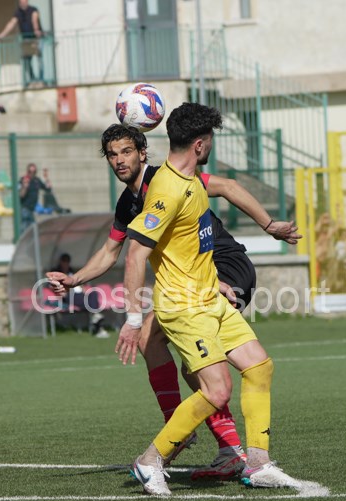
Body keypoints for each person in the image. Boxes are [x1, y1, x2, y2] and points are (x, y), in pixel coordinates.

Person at [48, 124, 300, 480]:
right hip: (194, 281)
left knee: (198, 367)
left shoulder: (168, 179)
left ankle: (202, 444)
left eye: (126, 152)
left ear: (142, 153)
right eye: (113, 155)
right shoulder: (128, 203)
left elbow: (227, 187)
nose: (119, 161)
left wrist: (269, 225)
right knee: (156, 345)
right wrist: (74, 280)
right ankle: (212, 443)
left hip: (224, 268)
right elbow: (109, 252)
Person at [115, 103, 302, 496]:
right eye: (211, 140)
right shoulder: (167, 191)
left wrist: (216, 280)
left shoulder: (192, 181)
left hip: (209, 298)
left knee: (259, 367)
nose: (211, 146)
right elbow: (134, 254)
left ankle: (258, 464)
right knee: (217, 390)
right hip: (183, 307)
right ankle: (150, 460)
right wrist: (133, 320)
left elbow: (187, 245)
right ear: (199, 145)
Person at [50, 253, 109, 339]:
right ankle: (98, 323)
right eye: (64, 261)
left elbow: (78, 282)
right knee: (91, 305)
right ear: (61, 262)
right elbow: (52, 285)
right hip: (70, 295)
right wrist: (61, 292)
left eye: (67, 261)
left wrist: (83, 289)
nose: (66, 263)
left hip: (79, 293)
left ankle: (96, 317)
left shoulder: (71, 271)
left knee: (94, 293)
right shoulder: (56, 272)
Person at [0, 0, 44, 87]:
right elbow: (11, 23)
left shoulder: (33, 10)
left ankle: (41, 80)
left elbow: (34, 20)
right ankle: (32, 80)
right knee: (28, 61)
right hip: (26, 40)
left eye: (24, 2)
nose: (22, 4)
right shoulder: (18, 13)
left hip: (36, 39)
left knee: (39, 59)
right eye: (21, 2)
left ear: (27, 2)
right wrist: (1, 35)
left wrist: (36, 31)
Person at [19, 163, 52, 233]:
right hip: (25, 208)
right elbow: (21, 195)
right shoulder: (23, 179)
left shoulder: (37, 180)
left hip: (32, 210)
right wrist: (25, 187)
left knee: (33, 230)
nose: (32, 173)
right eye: (30, 172)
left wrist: (46, 178)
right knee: (25, 230)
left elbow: (48, 189)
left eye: (34, 172)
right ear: (27, 171)